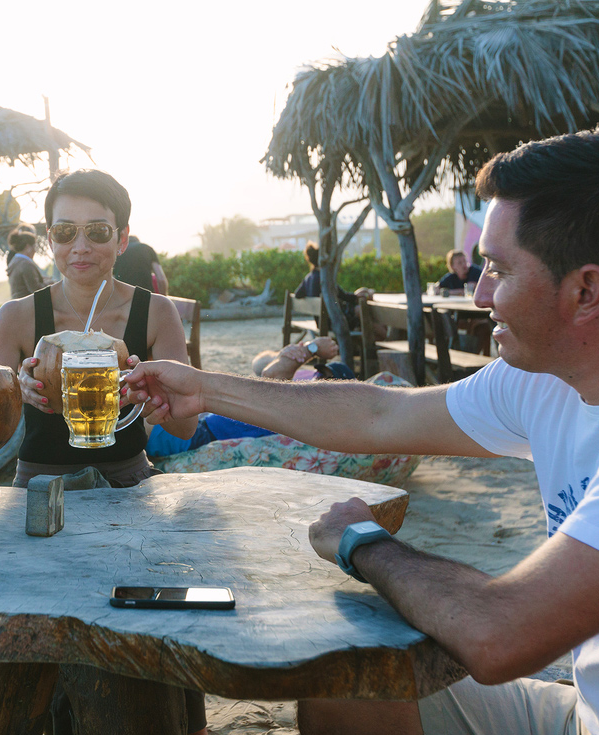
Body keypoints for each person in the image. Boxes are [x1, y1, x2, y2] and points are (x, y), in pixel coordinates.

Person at [124, 128, 599, 735]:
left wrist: (364, 544)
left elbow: (501, 632)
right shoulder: (543, 380)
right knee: (343, 680)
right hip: (575, 716)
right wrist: (205, 388)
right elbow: (379, 414)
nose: (479, 293)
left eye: (499, 270)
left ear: (585, 290)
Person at [0, 169, 203, 734]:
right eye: (64, 233)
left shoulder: (154, 313)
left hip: (130, 488)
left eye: (98, 233)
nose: (79, 247)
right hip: (38, 494)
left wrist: (155, 399)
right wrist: (17, 391)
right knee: (33, 639)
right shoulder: (15, 319)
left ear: (122, 239)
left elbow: (184, 427)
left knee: (142, 634)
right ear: (48, 239)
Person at [146, 337, 354, 459]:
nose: (317, 381)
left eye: (325, 379)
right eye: (319, 376)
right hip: (205, 420)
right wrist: (291, 354)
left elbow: (271, 376)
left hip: (202, 435)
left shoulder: (309, 409)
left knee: (139, 424)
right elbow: (263, 365)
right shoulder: (304, 395)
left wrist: (311, 348)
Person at [5, 222, 46, 299]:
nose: (35, 250)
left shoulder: (15, 261)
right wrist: (51, 284)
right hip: (28, 307)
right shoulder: (25, 264)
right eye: (34, 247)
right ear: (28, 247)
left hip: (18, 304)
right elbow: (36, 289)